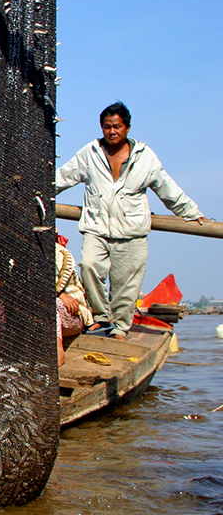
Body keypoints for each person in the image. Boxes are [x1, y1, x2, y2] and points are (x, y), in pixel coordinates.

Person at [56, 102, 207, 341]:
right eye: (107, 127)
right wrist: (36, 191)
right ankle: (102, 317)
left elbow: (167, 188)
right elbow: (62, 177)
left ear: (127, 128)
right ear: (101, 128)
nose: (112, 132)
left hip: (132, 232)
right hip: (97, 228)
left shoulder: (144, 157)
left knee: (126, 287)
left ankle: (120, 329)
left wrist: (190, 211)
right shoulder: (90, 153)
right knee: (89, 266)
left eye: (117, 126)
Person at [55, 235, 93, 366]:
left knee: (51, 304)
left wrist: (59, 294)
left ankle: (58, 353)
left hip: (72, 317)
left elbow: (56, 285)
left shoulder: (61, 255)